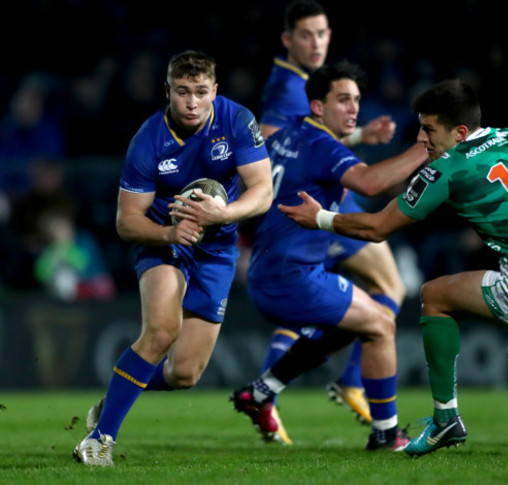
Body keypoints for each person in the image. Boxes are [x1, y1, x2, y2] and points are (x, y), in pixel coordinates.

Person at [279, 79, 508, 456]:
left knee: (434, 295)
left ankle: (445, 420)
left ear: (458, 132)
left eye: (429, 129)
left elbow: (376, 228)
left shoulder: (449, 168)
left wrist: (320, 218)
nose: (422, 138)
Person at [73, 50, 273, 466]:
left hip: (217, 249)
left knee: (185, 374)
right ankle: (99, 439)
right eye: (183, 92)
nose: (193, 103)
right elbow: (127, 222)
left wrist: (224, 214)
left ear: (215, 91)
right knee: (161, 330)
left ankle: (115, 399)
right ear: (168, 91)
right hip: (163, 242)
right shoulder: (148, 141)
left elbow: (263, 191)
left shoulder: (237, 121)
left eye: (202, 92)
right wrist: (169, 231)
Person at [231, 61, 426, 451]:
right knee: (381, 324)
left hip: (269, 272)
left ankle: (263, 390)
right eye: (343, 100)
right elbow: (369, 183)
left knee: (355, 321)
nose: (353, 108)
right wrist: (424, 147)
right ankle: (386, 433)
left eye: (355, 100)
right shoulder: (323, 147)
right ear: (318, 107)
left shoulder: (288, 136)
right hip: (294, 276)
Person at [253, 0, 407, 443]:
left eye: (323, 33)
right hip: (310, 203)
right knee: (384, 292)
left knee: (332, 304)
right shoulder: (288, 85)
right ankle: (351, 383)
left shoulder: (301, 82)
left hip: (318, 199)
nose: (317, 43)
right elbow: (273, 146)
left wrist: (357, 135)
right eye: (307, 35)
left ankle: (267, 390)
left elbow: (302, 136)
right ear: (288, 40)